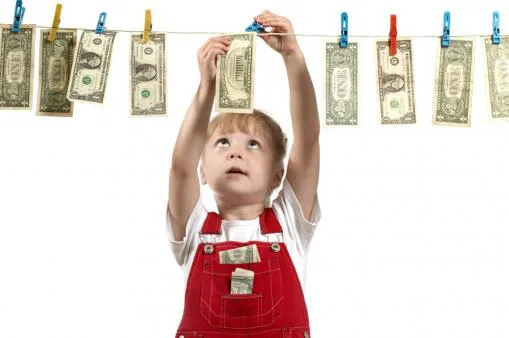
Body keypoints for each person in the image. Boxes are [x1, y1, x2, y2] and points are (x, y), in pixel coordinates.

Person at [166, 10, 321, 337]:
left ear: (278, 176)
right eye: (222, 142)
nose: (235, 151)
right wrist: (206, 88)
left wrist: (293, 57)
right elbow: (180, 168)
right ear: (203, 171)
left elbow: (307, 141)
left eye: (253, 145)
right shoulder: (192, 229)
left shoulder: (290, 222)